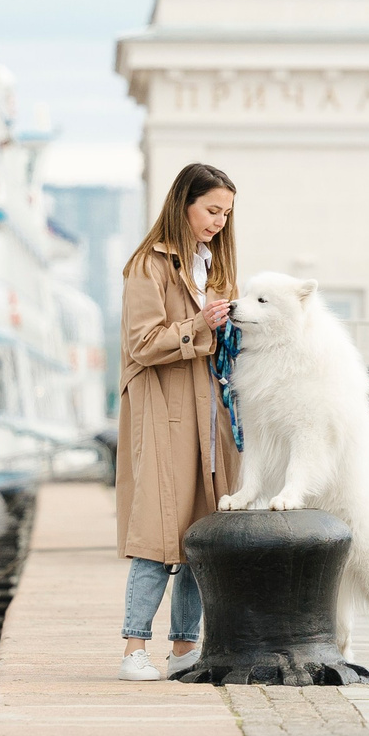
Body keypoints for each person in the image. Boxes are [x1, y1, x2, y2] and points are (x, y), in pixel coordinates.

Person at [113, 162, 240, 681]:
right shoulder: (148, 265)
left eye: (226, 213)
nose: (219, 222)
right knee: (157, 532)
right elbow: (141, 343)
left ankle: (186, 648)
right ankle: (134, 649)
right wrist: (199, 325)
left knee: (201, 533)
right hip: (165, 412)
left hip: (210, 414)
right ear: (184, 204)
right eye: (211, 210)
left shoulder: (214, 265)